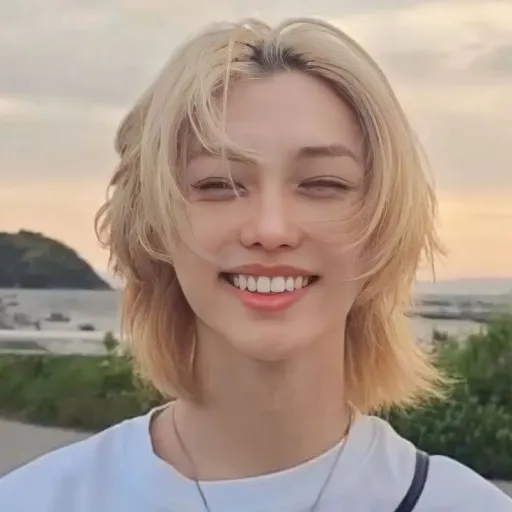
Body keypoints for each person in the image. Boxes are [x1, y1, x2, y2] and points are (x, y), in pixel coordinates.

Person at [0, 17, 510, 512]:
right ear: (153, 227)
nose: (271, 229)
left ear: (383, 226)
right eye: (219, 184)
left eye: (323, 184)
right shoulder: (38, 500)